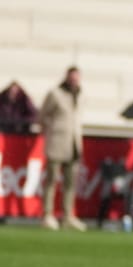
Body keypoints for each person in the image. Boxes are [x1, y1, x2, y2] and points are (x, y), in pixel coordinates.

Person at [37, 66, 85, 230]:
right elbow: (43, 116)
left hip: (73, 144)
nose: (74, 81)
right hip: (57, 143)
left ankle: (67, 215)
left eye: (76, 78)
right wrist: (53, 129)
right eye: (72, 78)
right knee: (51, 180)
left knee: (70, 183)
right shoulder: (55, 94)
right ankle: (47, 214)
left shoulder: (80, 95)